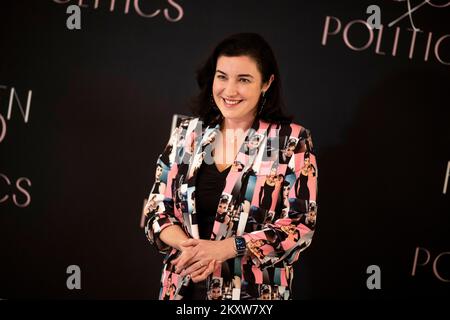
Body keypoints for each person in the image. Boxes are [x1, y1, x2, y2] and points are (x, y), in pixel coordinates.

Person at [143, 32, 318, 300]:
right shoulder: (188, 133)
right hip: (180, 290)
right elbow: (156, 210)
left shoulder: (290, 141)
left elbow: (299, 226)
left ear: (267, 83)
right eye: (222, 76)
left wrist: (228, 248)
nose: (230, 90)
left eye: (244, 79)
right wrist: (191, 249)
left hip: (251, 295)